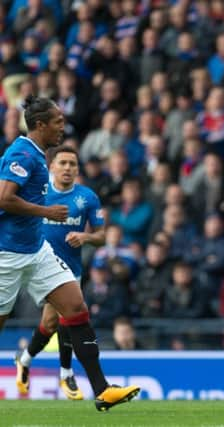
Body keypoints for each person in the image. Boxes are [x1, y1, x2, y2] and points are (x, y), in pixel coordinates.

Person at [0, 95, 139, 411]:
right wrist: (44, 210)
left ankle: (102, 391)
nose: (63, 127)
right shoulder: (22, 153)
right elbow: (4, 198)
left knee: (75, 307)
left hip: (36, 251)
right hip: (6, 256)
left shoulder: (37, 155)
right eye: (58, 122)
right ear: (40, 125)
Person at [16, 146, 106, 400]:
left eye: (72, 164)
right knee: (67, 315)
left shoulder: (87, 198)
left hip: (71, 268)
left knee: (51, 323)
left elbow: (102, 237)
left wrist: (86, 236)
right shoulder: (38, 192)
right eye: (63, 163)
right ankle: (66, 373)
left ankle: (24, 359)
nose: (67, 168)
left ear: (78, 170)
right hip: (39, 266)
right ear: (52, 167)